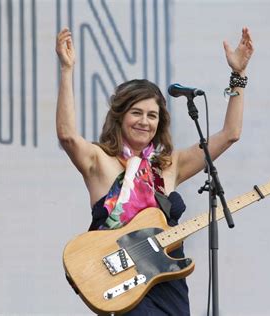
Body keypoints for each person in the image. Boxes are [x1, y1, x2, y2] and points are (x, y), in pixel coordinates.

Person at [56, 26, 253, 315]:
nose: (144, 122)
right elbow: (67, 136)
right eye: (136, 113)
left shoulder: (166, 166)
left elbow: (230, 134)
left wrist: (239, 75)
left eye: (152, 115)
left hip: (168, 283)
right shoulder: (100, 161)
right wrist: (66, 69)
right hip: (124, 284)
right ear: (120, 117)